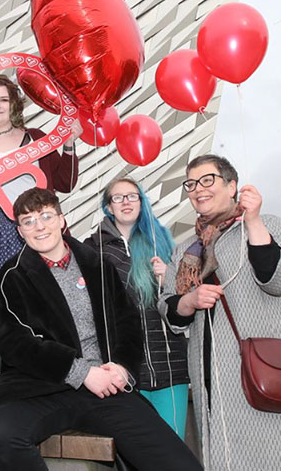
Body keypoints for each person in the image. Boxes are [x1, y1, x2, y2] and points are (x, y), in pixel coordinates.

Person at [0, 187, 201, 470]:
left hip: (104, 387)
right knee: (0, 432)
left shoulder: (97, 263)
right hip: (40, 389)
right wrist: (81, 372)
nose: (39, 226)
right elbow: (16, 343)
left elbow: (127, 322)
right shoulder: (12, 276)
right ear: (20, 231)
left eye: (46, 216)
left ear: (61, 220)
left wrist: (122, 368)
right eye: (29, 221)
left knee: (178, 462)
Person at [160, 154, 281, 470]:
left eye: (208, 180)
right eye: (191, 184)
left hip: (270, 369)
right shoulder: (185, 250)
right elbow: (168, 307)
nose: (198, 189)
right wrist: (190, 301)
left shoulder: (267, 225)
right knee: (227, 457)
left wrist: (253, 222)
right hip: (212, 376)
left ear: (232, 185)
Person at [83, 177, 190, 437]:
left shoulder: (163, 241)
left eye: (132, 196)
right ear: (108, 207)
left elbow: (185, 301)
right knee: (137, 451)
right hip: (123, 369)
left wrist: (170, 279)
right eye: (117, 198)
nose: (125, 202)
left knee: (172, 447)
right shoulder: (92, 249)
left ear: (141, 202)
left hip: (170, 364)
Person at [0, 74, 80, 269]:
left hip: (36, 225)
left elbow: (64, 184)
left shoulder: (36, 138)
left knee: (44, 289)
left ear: (14, 104)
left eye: (4, 100)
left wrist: (68, 145)